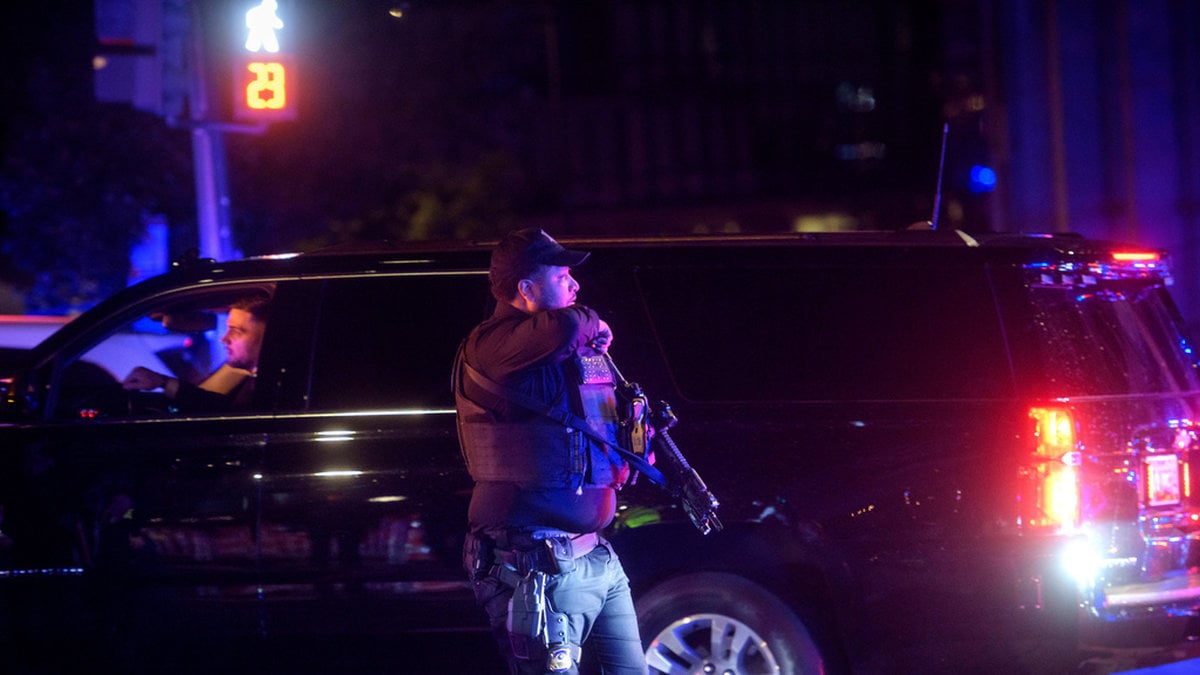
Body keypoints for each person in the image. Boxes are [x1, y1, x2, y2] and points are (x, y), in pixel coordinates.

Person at [454, 228, 645, 674]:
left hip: (594, 557)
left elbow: (592, 422)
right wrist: (594, 322)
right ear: (526, 288)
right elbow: (570, 325)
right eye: (561, 276)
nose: (575, 285)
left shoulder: (555, 351)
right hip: (535, 564)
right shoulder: (492, 344)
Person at [121, 293, 270, 412]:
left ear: (267, 335)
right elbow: (219, 408)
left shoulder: (273, 390)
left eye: (235, 331)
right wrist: (163, 382)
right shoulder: (257, 380)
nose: (224, 339)